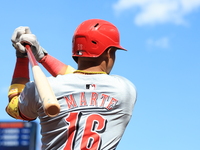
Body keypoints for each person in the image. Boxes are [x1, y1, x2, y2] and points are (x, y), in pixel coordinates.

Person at [6, 19, 137, 150]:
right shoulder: (124, 89)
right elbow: (80, 78)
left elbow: (14, 108)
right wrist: (43, 57)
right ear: (109, 53)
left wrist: (22, 58)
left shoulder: (42, 89)